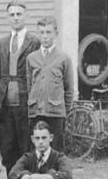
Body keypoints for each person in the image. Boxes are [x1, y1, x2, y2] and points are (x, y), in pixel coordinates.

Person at [0, 0, 41, 179]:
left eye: (19, 14)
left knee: (25, 149)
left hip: (25, 102)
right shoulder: (2, 43)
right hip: (6, 104)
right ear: (8, 17)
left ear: (26, 16)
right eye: (12, 14)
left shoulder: (34, 42)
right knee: (8, 150)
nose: (15, 17)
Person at [26, 16, 74, 149]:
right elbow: (30, 85)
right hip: (36, 113)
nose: (45, 36)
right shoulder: (31, 58)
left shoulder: (64, 58)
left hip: (56, 114)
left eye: (48, 32)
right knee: (36, 150)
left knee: (56, 150)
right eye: (41, 32)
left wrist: (64, 111)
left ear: (56, 33)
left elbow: (69, 89)